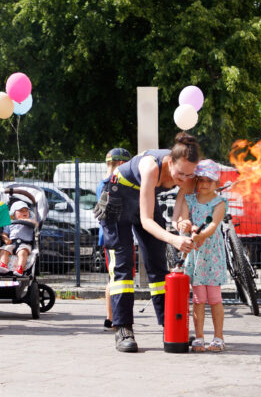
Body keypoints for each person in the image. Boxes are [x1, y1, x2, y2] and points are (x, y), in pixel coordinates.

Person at [98, 132, 199, 353]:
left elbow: (179, 211)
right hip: (117, 200)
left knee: (158, 264)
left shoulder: (187, 172)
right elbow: (146, 221)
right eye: (180, 174)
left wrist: (182, 224)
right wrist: (173, 239)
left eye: (188, 175)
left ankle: (169, 326)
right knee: (123, 265)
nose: (183, 180)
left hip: (144, 202)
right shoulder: (151, 167)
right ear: (169, 161)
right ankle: (123, 329)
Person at [178, 160, 229, 352]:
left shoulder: (219, 202)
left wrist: (201, 235)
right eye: (201, 180)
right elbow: (184, 218)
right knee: (198, 299)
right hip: (196, 256)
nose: (205, 184)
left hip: (212, 254)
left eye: (209, 180)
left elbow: (213, 226)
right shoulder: (189, 200)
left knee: (215, 298)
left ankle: (218, 337)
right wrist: (185, 224)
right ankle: (199, 337)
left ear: (216, 181)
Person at [98, 147, 132, 330]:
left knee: (113, 276)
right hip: (113, 238)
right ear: (121, 164)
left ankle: (111, 317)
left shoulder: (103, 183)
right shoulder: (109, 184)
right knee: (115, 277)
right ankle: (112, 319)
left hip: (110, 237)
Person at [0, 200, 36, 276]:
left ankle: (20, 269)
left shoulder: (30, 222)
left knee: (22, 252)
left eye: (26, 211)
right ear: (13, 213)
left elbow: (37, 224)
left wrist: (27, 220)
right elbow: (4, 233)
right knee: (4, 250)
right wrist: (5, 238)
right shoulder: (10, 223)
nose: (24, 212)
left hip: (24, 243)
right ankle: (3, 265)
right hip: (12, 242)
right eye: (21, 211)